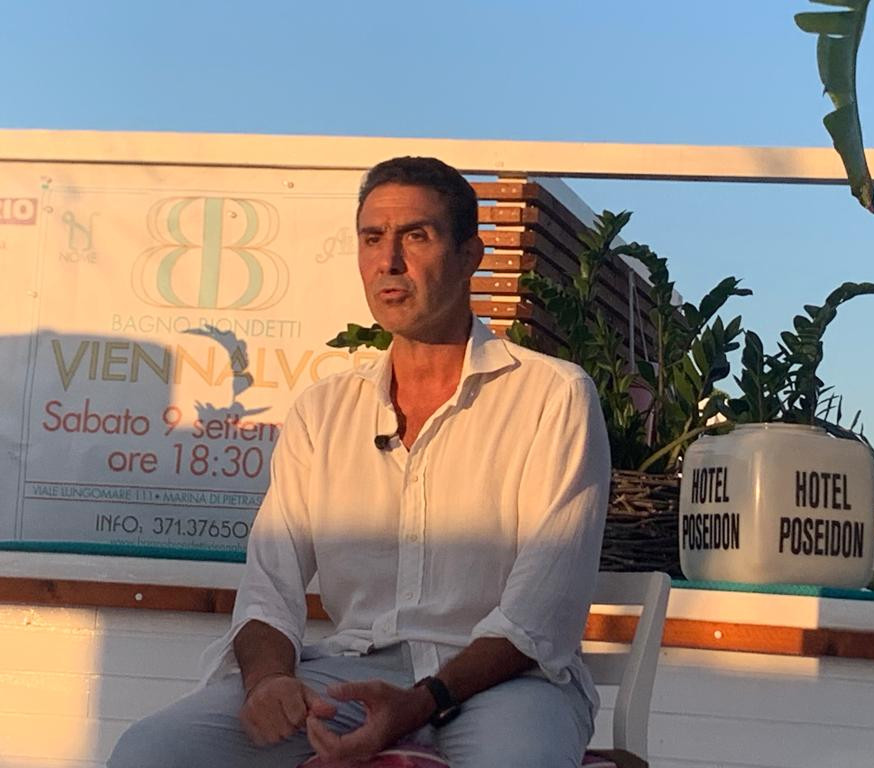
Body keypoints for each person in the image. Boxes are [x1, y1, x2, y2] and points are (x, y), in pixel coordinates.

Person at [108, 156, 611, 768]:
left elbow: (540, 615)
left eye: (415, 236)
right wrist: (269, 682)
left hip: (506, 686)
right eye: (372, 238)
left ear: (470, 257)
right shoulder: (323, 411)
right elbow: (268, 591)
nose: (388, 261)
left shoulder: (552, 395)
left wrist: (419, 703)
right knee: (149, 752)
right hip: (350, 679)